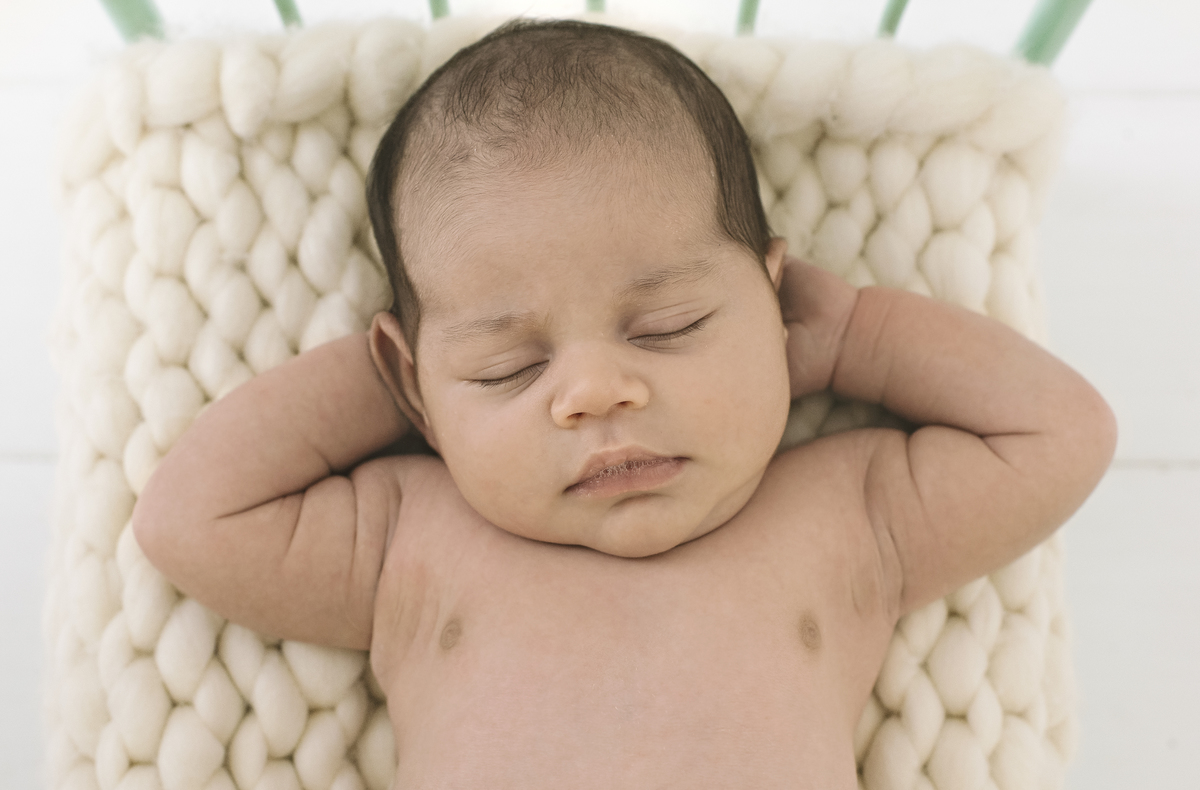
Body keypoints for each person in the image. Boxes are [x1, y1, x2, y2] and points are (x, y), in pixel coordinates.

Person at [131, 18, 1116, 787]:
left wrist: (855, 332)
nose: (599, 392)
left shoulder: (847, 516)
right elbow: (190, 520)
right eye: (507, 367)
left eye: (669, 326)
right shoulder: (409, 539)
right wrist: (406, 381)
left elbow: (1059, 432)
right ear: (414, 381)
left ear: (773, 300)